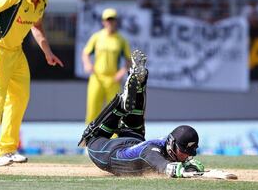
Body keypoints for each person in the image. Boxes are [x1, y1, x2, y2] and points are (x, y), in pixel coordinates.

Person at [0, 0, 64, 166]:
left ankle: (8, 148)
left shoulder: (42, 2)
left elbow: (37, 26)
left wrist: (48, 53)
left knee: (20, 98)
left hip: (16, 52)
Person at [78, 50, 205, 178]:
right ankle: (120, 107)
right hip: (110, 153)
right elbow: (158, 161)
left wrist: (187, 167)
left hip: (133, 141)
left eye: (189, 152)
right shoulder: (152, 151)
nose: (187, 155)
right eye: (184, 151)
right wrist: (175, 169)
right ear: (172, 144)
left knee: (135, 123)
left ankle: (140, 82)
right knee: (91, 138)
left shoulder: (166, 144)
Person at [82, 8, 131, 125]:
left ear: (116, 21)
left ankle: (114, 140)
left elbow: (129, 59)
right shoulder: (97, 37)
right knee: (93, 109)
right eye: (108, 20)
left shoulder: (121, 40)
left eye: (112, 19)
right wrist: (87, 63)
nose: (110, 22)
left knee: (114, 111)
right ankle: (89, 139)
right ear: (103, 22)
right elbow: (85, 53)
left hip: (113, 79)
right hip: (97, 78)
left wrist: (122, 71)